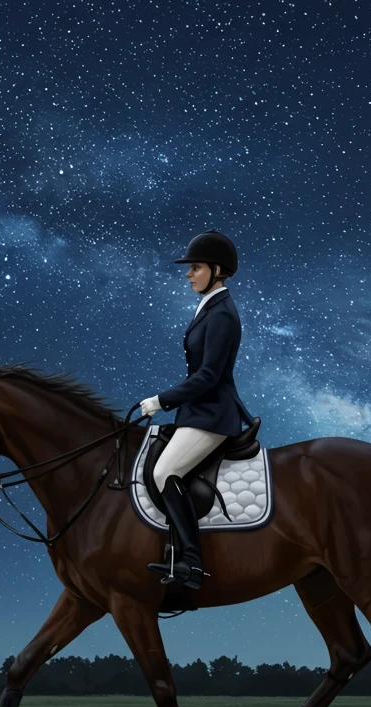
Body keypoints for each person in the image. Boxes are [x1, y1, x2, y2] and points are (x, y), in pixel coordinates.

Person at [139, 230, 252, 590]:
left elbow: (208, 376)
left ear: (217, 270)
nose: (188, 274)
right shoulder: (208, 308)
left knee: (164, 472)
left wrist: (161, 400)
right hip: (197, 412)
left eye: (196, 268)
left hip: (213, 413)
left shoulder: (222, 314)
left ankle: (190, 561)